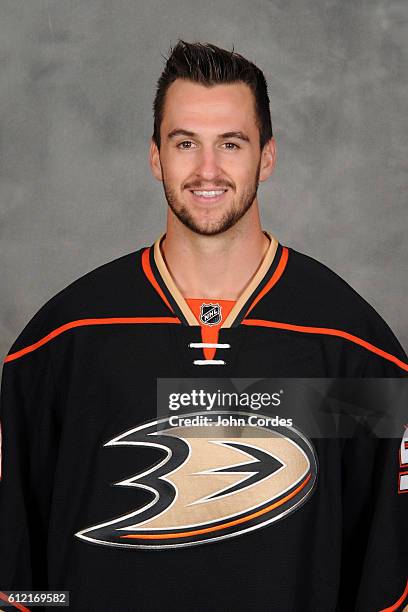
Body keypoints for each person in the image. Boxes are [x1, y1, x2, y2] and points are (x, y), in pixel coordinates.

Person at [0, 40, 407, 612]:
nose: (207, 170)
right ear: (154, 156)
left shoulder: (349, 347)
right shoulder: (64, 342)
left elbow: (385, 575)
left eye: (231, 144)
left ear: (267, 156)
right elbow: (17, 578)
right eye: (185, 143)